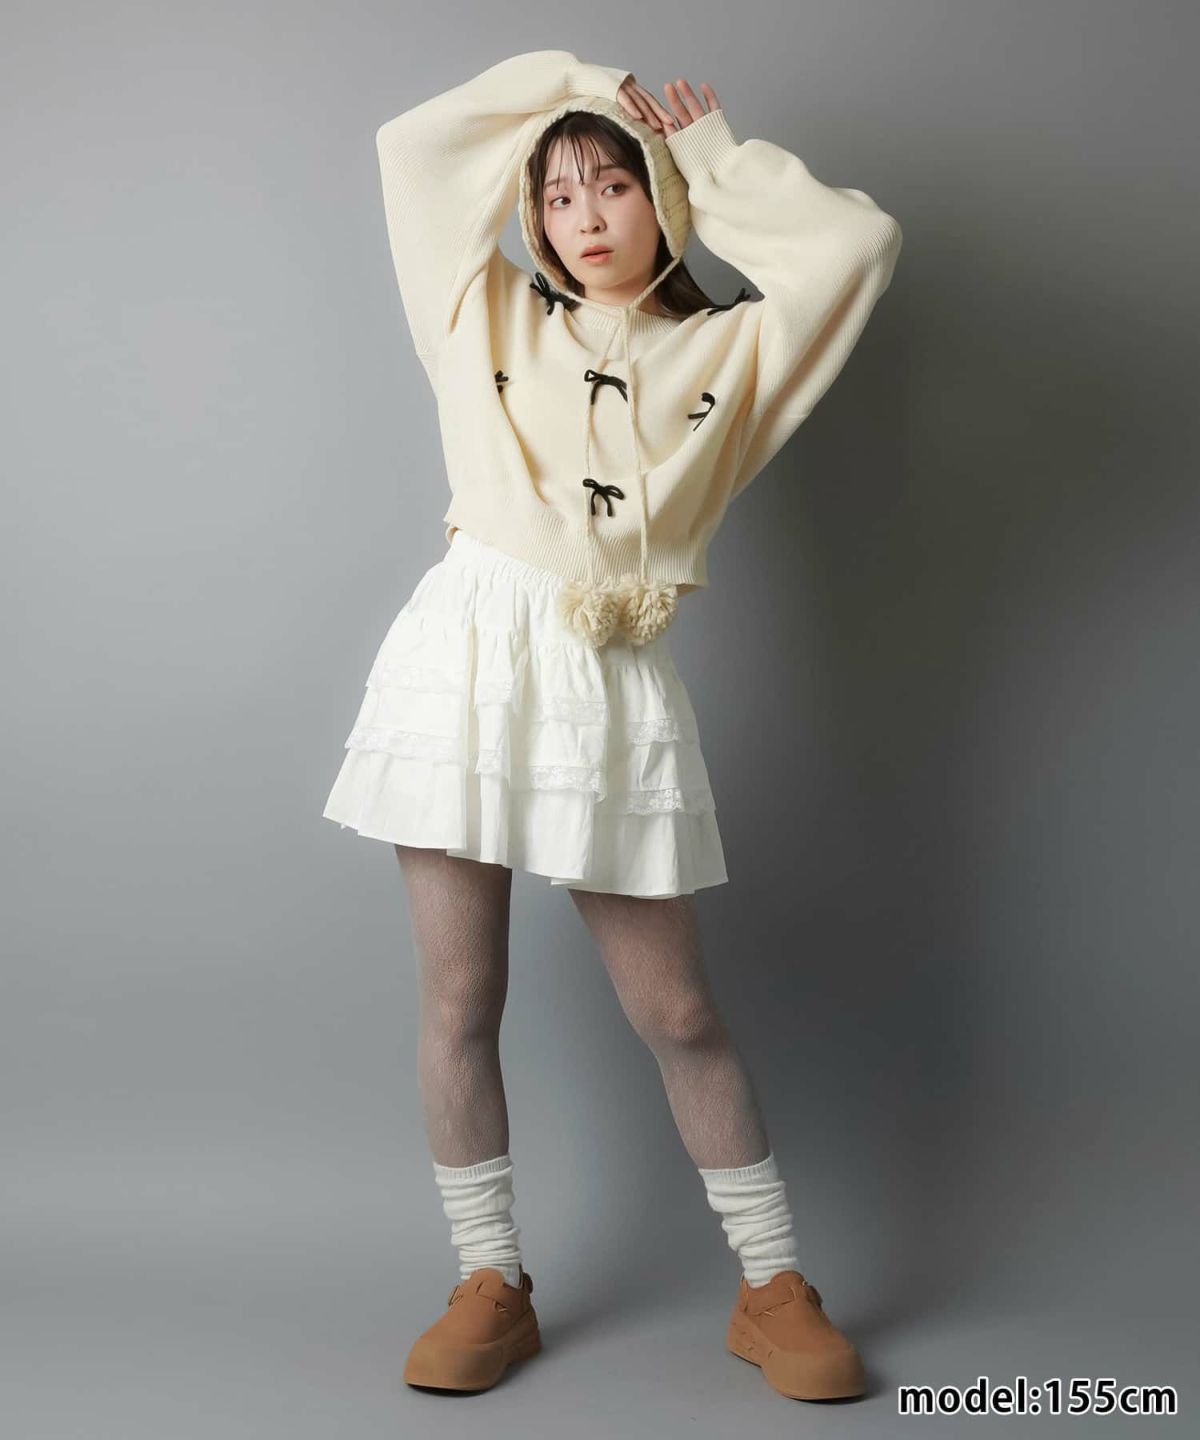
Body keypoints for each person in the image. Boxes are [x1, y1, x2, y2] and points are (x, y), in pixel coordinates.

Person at [322, 49, 902, 1402]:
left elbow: (857, 248)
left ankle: (772, 1287)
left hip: (610, 675)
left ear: (663, 200)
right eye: (558, 191)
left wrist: (713, 159)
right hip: (466, 654)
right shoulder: (477, 309)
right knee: (461, 996)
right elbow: (411, 150)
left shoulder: (736, 351)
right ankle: (490, 1279)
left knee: (680, 1011)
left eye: (615, 183)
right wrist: (582, 83)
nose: (584, 213)